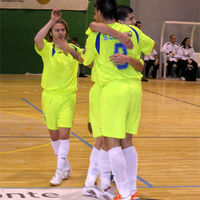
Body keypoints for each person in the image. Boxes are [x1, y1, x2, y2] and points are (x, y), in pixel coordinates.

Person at [82, 0, 143, 199]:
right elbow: (146, 56)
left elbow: (87, 61)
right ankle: (128, 190)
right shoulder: (133, 31)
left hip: (110, 90)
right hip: (133, 89)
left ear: (99, 11)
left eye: (94, 12)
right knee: (127, 141)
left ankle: (123, 193)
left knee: (109, 142)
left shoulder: (95, 34)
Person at [34, 9, 83, 186]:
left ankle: (58, 172)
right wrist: (51, 20)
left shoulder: (74, 49)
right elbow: (37, 39)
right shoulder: (46, 49)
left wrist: (68, 48)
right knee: (54, 136)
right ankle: (66, 167)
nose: (60, 32)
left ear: (66, 33)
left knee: (64, 135)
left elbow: (84, 60)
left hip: (67, 97)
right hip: (49, 97)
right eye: (56, 30)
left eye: (62, 30)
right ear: (51, 32)